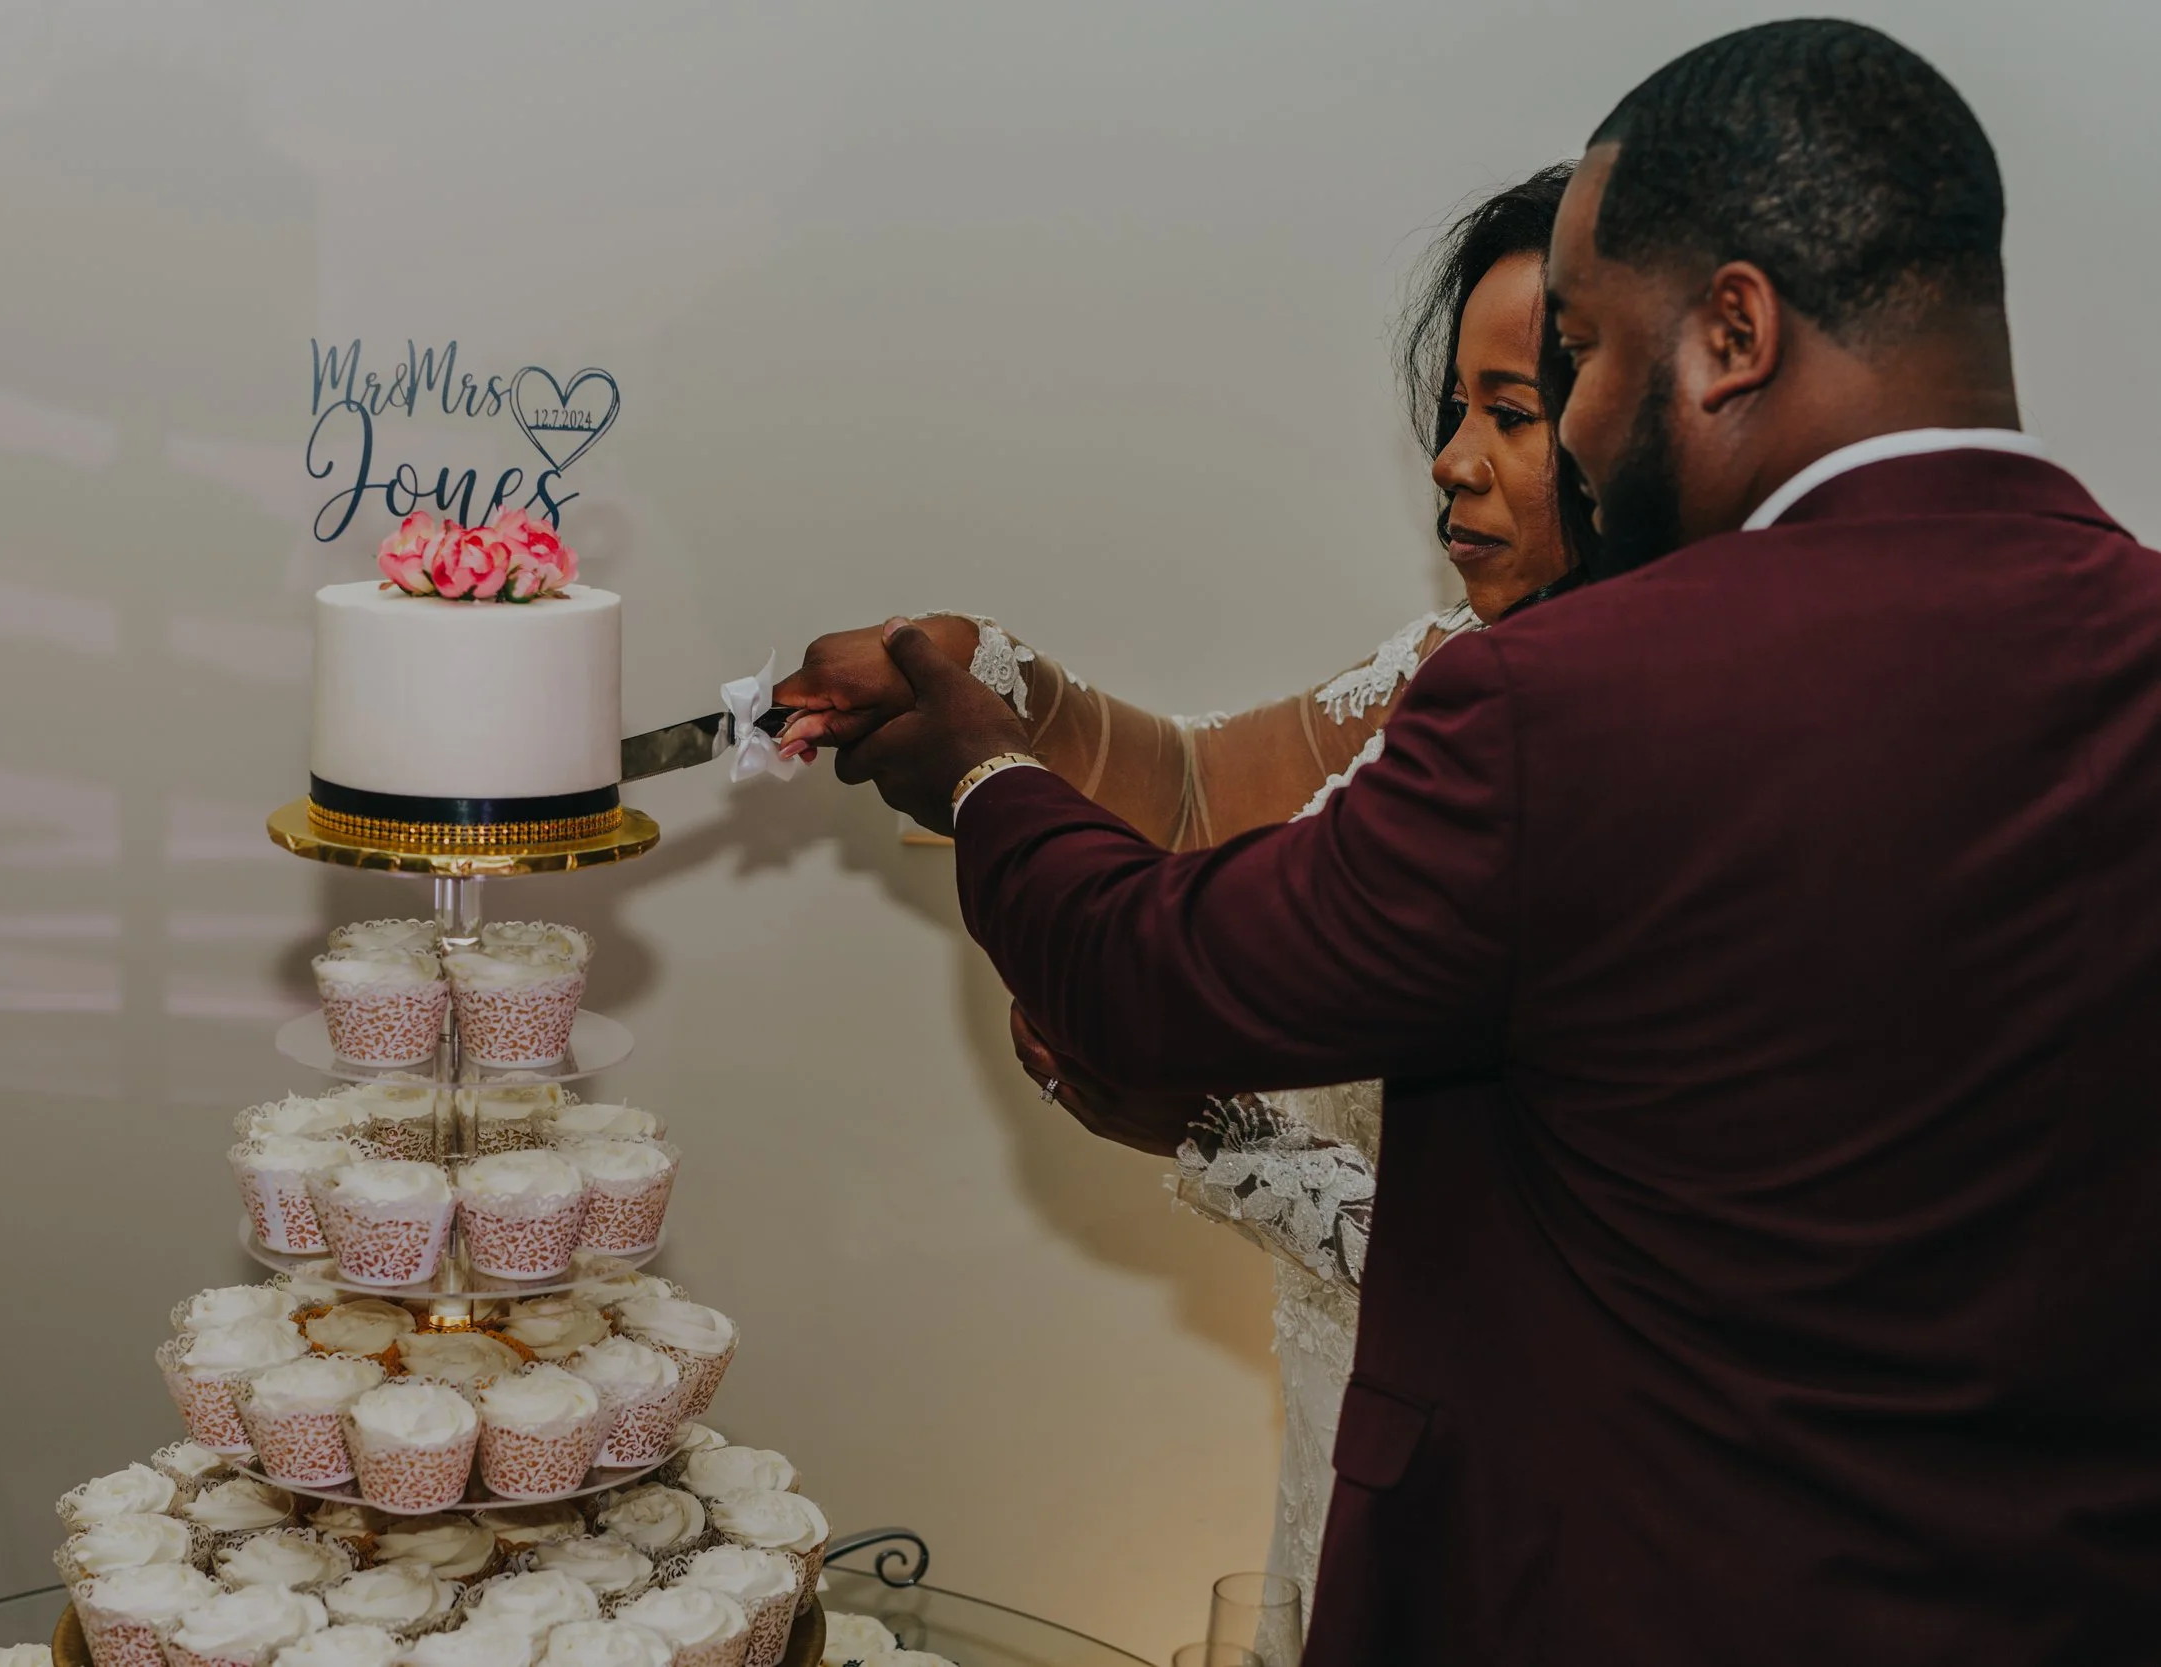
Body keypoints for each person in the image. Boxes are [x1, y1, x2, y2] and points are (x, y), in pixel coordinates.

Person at [798, 20, 2161, 1663]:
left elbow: (1152, 980)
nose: (1572, 434)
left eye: (1579, 358)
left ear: (1732, 332)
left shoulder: (1581, 703)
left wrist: (982, 776)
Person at [774, 166, 1590, 1602]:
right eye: (1454, 407)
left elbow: (1562, 1278)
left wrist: (1231, 1144)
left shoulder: (1623, 751)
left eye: (1511, 416)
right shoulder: (1443, 668)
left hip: (1533, 1497)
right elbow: (1208, 788)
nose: (1454, 459)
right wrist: (986, 674)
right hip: (1354, 1436)